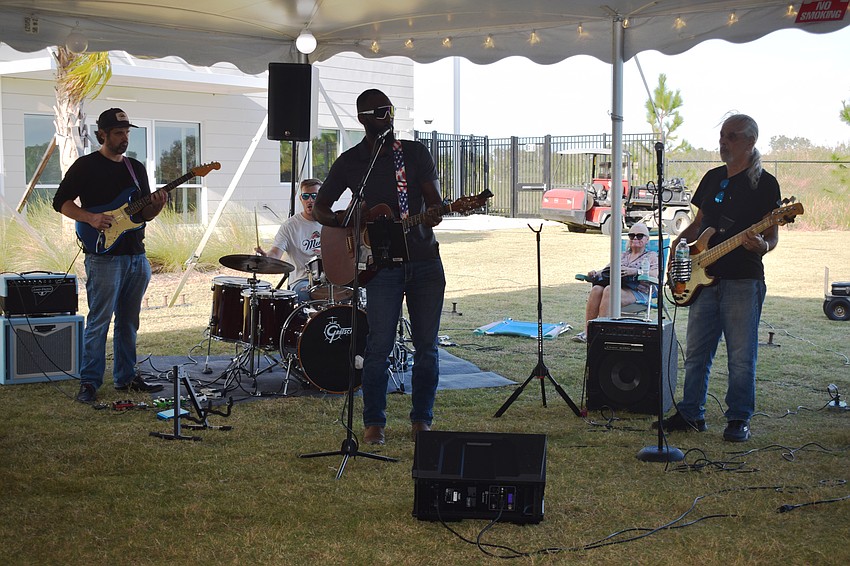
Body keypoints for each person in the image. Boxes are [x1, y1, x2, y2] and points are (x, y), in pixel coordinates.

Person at [313, 88, 446, 445]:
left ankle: (422, 420)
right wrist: (347, 222)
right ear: (362, 119)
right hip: (380, 266)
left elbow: (435, 206)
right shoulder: (351, 161)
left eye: (389, 110)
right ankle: (374, 422)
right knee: (378, 346)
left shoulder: (415, 154)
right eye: (379, 112)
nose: (386, 117)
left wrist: (436, 213)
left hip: (424, 262)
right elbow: (321, 208)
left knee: (427, 346)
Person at [658, 114, 780, 442]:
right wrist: (678, 248)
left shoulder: (765, 184)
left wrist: (761, 246)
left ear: (750, 142)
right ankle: (691, 412)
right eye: (722, 135)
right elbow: (699, 225)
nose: (723, 141)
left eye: (732, 136)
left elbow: (772, 236)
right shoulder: (712, 177)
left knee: (741, 355)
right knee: (697, 352)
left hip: (744, 279)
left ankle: (739, 418)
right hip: (703, 279)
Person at [53, 108, 167, 404]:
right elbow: (60, 202)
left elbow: (144, 214)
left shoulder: (135, 168)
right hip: (103, 256)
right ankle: (89, 382)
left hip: (136, 255)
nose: (124, 138)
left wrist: (157, 205)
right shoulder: (86, 166)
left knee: (129, 321)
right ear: (101, 134)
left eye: (127, 132)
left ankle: (126, 377)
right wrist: (89, 218)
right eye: (118, 133)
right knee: (99, 320)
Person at [572, 222, 658, 343]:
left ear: (647, 239)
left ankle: (600, 333)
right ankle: (588, 332)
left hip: (638, 291)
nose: (635, 238)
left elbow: (656, 274)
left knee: (609, 290)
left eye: (640, 236)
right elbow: (607, 269)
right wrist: (595, 273)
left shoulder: (651, 256)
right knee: (596, 289)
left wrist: (633, 271)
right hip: (620, 287)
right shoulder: (622, 255)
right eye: (631, 235)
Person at [255, 178, 323, 301]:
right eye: (306, 196)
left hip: (329, 279)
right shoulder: (290, 226)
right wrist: (267, 258)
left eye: (314, 196)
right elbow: (276, 252)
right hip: (302, 280)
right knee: (304, 295)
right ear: (301, 199)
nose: (310, 200)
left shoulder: (330, 222)